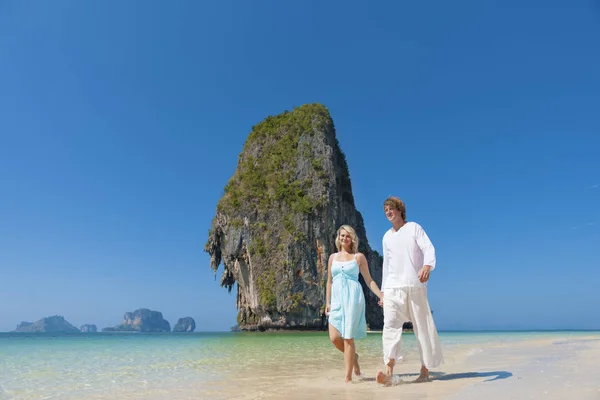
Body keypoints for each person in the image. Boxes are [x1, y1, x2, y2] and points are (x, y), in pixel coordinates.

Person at [376, 196, 443, 385]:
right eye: (385, 210)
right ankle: (389, 371)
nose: (388, 212)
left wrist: (427, 266)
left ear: (400, 210)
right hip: (393, 288)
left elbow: (428, 248)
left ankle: (424, 371)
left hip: (415, 286)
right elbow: (386, 267)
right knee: (390, 325)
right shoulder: (386, 237)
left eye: (391, 208)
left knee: (422, 328)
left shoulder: (414, 228)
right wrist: (383, 292)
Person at [325, 224, 383, 383]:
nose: (344, 238)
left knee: (348, 338)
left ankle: (348, 378)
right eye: (342, 235)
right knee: (334, 337)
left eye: (347, 235)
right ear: (339, 237)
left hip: (353, 299)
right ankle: (353, 358)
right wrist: (327, 302)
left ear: (352, 239)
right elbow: (329, 282)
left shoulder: (359, 257)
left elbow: (369, 280)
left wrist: (381, 295)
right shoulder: (332, 258)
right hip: (336, 300)